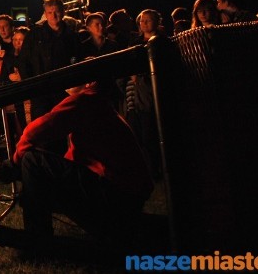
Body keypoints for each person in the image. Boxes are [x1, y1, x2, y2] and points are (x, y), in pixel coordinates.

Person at [8, 78, 154, 255]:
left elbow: (35, 130)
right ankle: (39, 237)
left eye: (78, 71)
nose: (70, 75)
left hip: (116, 197)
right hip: (126, 198)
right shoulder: (98, 103)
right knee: (41, 167)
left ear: (90, 82)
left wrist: (14, 163)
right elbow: (76, 159)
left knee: (32, 160)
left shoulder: (86, 100)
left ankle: (37, 241)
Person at [21, 0, 82, 123]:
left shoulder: (71, 35)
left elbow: (76, 57)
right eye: (49, 12)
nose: (53, 16)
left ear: (63, 12)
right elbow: (24, 61)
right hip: (40, 91)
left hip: (65, 90)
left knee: (65, 125)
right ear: (45, 14)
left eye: (57, 12)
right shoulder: (34, 35)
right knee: (42, 128)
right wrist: (30, 86)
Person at [124, 9, 163, 178]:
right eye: (142, 20)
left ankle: (156, 169)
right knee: (138, 135)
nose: (144, 23)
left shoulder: (162, 42)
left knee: (151, 135)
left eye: (148, 20)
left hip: (152, 93)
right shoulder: (135, 43)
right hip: (135, 95)